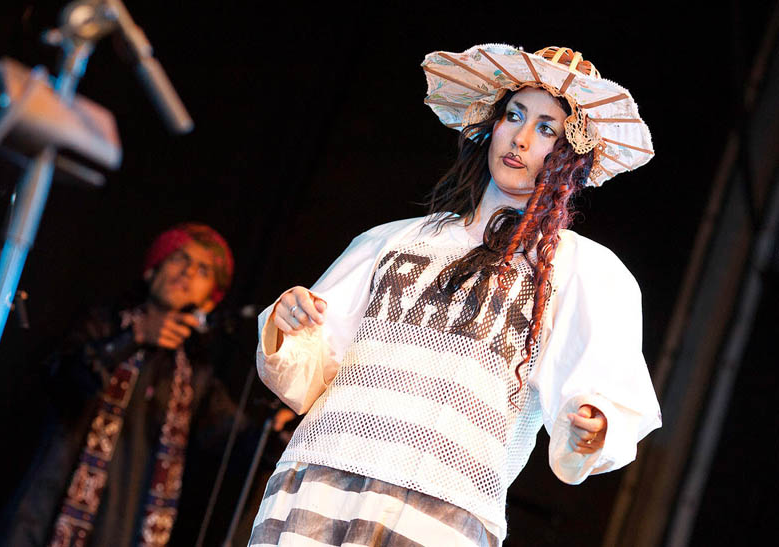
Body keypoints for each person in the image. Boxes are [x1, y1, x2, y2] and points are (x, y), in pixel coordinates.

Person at [249, 44, 662, 546]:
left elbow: (604, 397)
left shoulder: (583, 271)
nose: (522, 138)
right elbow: (308, 372)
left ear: (571, 156)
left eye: (547, 128)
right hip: (323, 473)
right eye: (514, 115)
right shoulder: (395, 240)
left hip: (445, 501)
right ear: (493, 123)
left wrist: (593, 429)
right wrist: (289, 322)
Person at [0, 223, 236, 547]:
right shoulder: (102, 323)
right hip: (46, 518)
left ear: (209, 302)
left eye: (203, 270)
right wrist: (132, 337)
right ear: (153, 270)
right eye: (180, 258)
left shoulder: (196, 373)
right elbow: (61, 381)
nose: (188, 272)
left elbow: (234, 435)